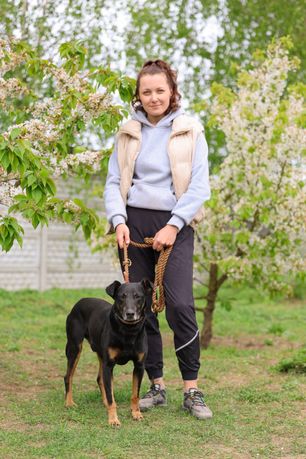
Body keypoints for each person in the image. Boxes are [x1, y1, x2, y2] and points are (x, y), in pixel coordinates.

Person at [104, 59, 212, 420]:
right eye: (146, 91)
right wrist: (118, 219)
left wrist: (174, 224)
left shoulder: (190, 131)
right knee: (141, 305)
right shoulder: (127, 132)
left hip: (175, 226)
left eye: (160, 90)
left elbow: (199, 187)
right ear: (138, 94)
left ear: (172, 91)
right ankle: (156, 384)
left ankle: (192, 389)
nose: (153, 97)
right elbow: (112, 183)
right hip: (133, 225)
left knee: (180, 305)